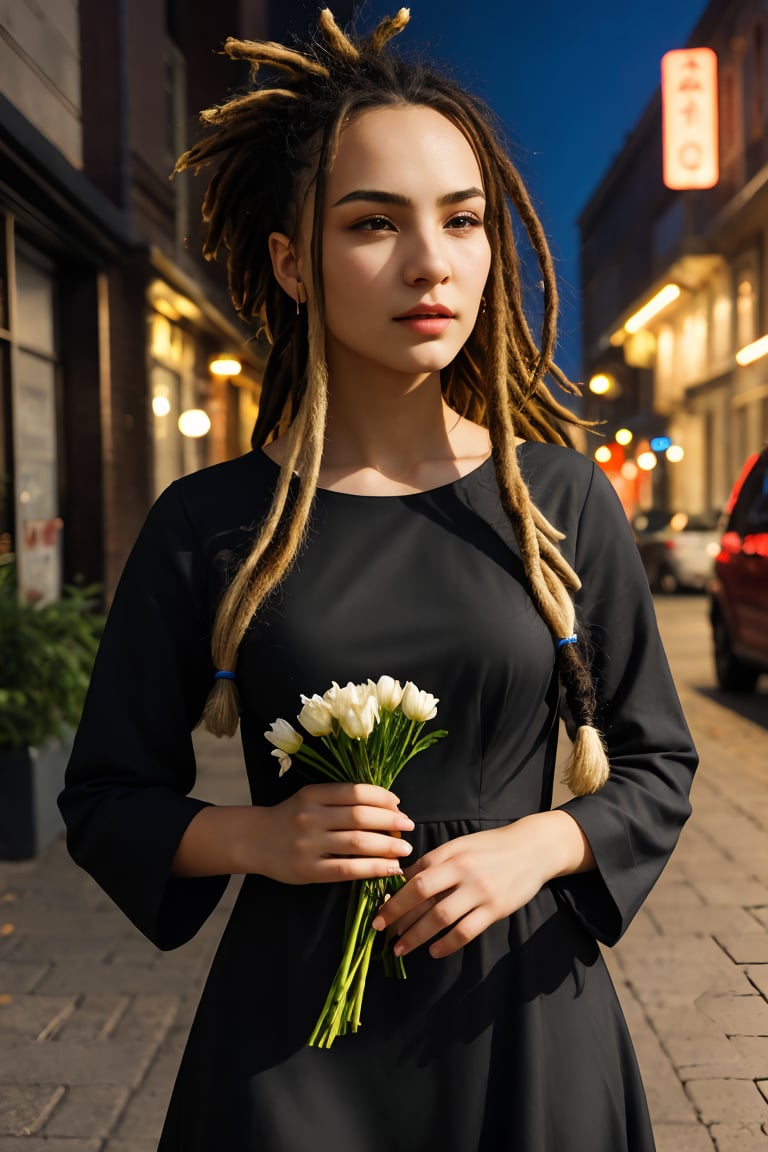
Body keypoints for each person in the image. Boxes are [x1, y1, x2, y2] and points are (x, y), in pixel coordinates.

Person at [59, 9, 698, 1150]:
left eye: (461, 221)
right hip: (293, 1037)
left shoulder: (558, 503)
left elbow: (655, 765)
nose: (430, 262)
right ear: (291, 262)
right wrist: (255, 838)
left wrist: (537, 843)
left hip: (525, 1024)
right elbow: (106, 798)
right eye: (373, 224)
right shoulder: (212, 524)